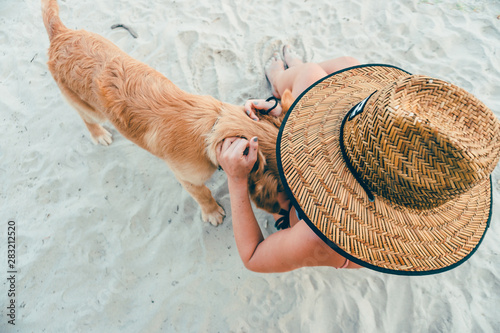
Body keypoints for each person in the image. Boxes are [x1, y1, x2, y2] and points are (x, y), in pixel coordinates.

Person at [217, 45, 500, 275]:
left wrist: (236, 179)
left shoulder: (317, 238)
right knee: (344, 64)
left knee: (313, 73)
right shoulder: (429, 160)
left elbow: (253, 256)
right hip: (367, 155)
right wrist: (284, 109)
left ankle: (282, 81)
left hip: (328, 214)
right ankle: (282, 89)